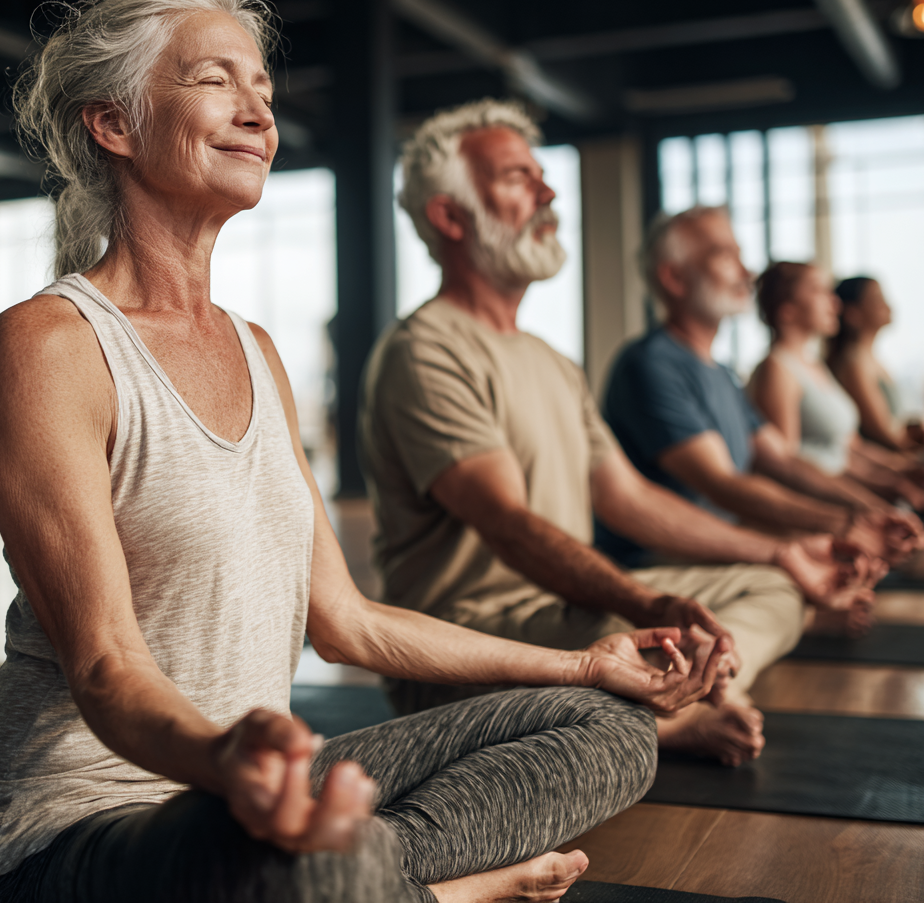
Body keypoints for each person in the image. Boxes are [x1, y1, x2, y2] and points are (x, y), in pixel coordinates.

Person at [0, 0, 729, 903]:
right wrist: (224, 758)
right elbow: (104, 665)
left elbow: (349, 622)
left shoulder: (259, 353)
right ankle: (435, 890)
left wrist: (587, 662)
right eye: (214, 81)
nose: (257, 112)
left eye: (264, 92)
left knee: (607, 726)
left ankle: (368, 880)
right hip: (82, 832)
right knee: (307, 858)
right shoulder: (50, 345)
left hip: (260, 793)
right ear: (114, 124)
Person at [359, 99, 869, 770]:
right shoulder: (424, 351)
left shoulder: (549, 360)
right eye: (517, 179)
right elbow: (507, 522)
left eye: (542, 175)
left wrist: (780, 554)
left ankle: (668, 699)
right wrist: (646, 601)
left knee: (770, 589)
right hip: (465, 645)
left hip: (561, 615)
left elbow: (629, 498)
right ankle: (663, 715)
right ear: (450, 217)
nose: (548, 192)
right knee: (622, 629)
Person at [601, 207, 920, 588]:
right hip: (660, 560)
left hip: (724, 548)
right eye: (724, 255)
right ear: (674, 277)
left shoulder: (721, 374)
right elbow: (721, 484)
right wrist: (845, 522)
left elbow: (782, 460)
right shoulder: (649, 365)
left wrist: (872, 510)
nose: (747, 272)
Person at [748, 262, 924, 511]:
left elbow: (846, 452)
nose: (835, 303)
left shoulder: (814, 365)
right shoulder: (776, 370)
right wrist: (875, 501)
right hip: (821, 509)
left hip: (843, 499)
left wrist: (901, 474)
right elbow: (787, 468)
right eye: (819, 291)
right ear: (787, 310)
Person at [827, 276, 924, 453]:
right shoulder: (853, 363)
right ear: (852, 313)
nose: (887, 305)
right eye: (877, 299)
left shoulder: (871, 359)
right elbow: (887, 436)